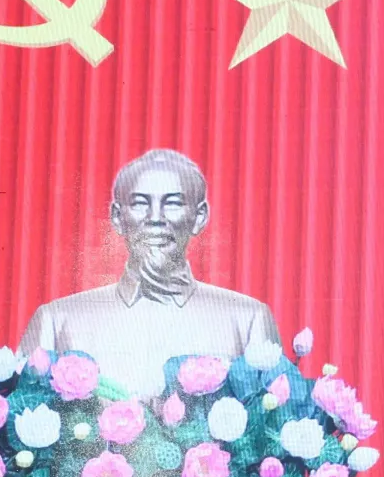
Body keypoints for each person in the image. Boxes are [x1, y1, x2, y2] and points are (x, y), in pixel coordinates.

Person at [17, 148, 281, 397]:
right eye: (140, 203)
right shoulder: (56, 321)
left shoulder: (248, 321)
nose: (155, 217)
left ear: (199, 216)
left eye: (173, 203)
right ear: (117, 217)